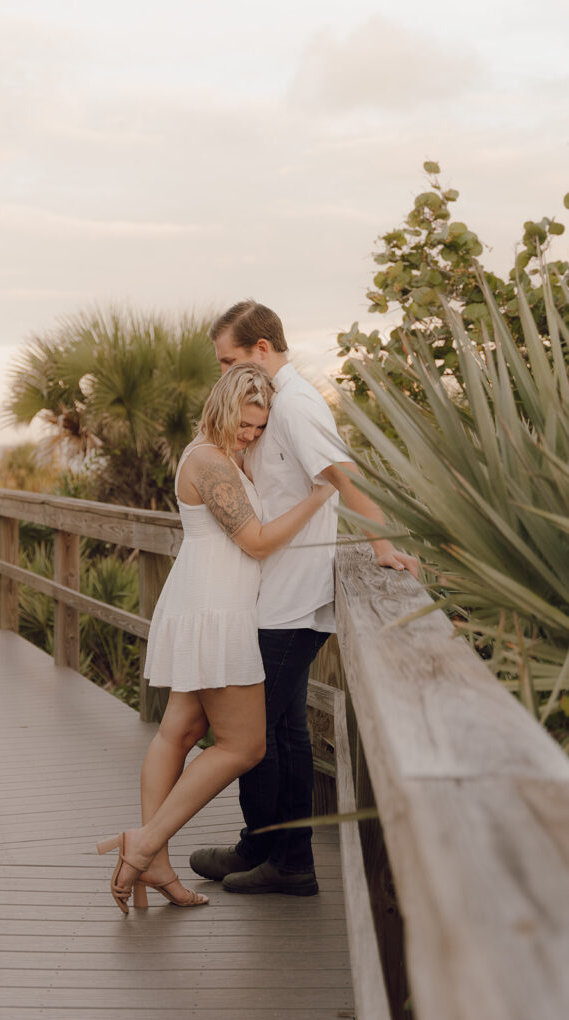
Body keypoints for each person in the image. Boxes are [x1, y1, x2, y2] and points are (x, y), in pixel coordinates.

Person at [190, 300, 418, 896]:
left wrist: (383, 543)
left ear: (262, 349)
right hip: (275, 596)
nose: (224, 373)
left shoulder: (296, 404)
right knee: (281, 731)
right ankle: (262, 845)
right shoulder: (275, 403)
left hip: (292, 597)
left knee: (253, 735)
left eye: (230, 360)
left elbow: (343, 473)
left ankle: (286, 861)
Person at [97, 362, 336, 914]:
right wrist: (318, 498)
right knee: (244, 745)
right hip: (215, 608)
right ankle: (148, 842)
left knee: (177, 732)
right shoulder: (209, 461)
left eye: (260, 427)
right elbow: (254, 541)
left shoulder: (217, 453)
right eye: (245, 424)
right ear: (222, 408)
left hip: (203, 599)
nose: (251, 435)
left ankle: (153, 860)